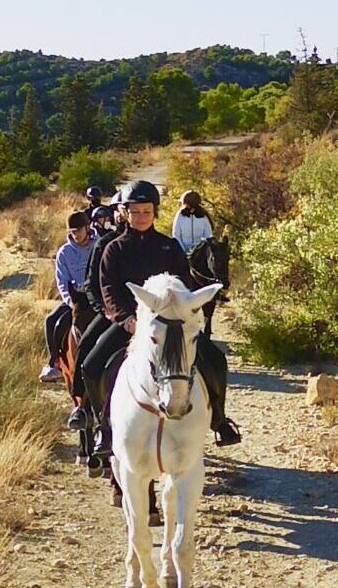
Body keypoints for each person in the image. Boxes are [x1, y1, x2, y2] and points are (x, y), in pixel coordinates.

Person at [82, 180, 242, 457]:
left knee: (215, 359)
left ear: (155, 213)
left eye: (146, 211)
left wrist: (190, 311)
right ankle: (103, 428)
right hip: (131, 323)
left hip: (171, 325)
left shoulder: (170, 247)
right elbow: (109, 289)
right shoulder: (114, 249)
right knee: (91, 365)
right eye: (135, 211)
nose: (141, 217)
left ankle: (219, 420)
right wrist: (128, 320)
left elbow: (184, 282)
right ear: (125, 213)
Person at [66, 190, 127, 428]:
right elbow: (91, 284)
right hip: (113, 314)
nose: (127, 214)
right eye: (124, 209)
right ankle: (84, 409)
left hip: (149, 314)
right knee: (87, 354)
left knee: (204, 355)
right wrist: (105, 308)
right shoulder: (103, 244)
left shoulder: (161, 244)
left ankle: (217, 418)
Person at [39, 210, 95, 383]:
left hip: (95, 298)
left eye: (78, 230)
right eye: (72, 231)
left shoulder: (98, 245)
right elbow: (62, 280)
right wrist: (70, 301)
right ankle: (54, 363)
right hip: (75, 299)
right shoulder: (64, 253)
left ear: (87, 228)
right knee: (51, 320)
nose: (76, 234)